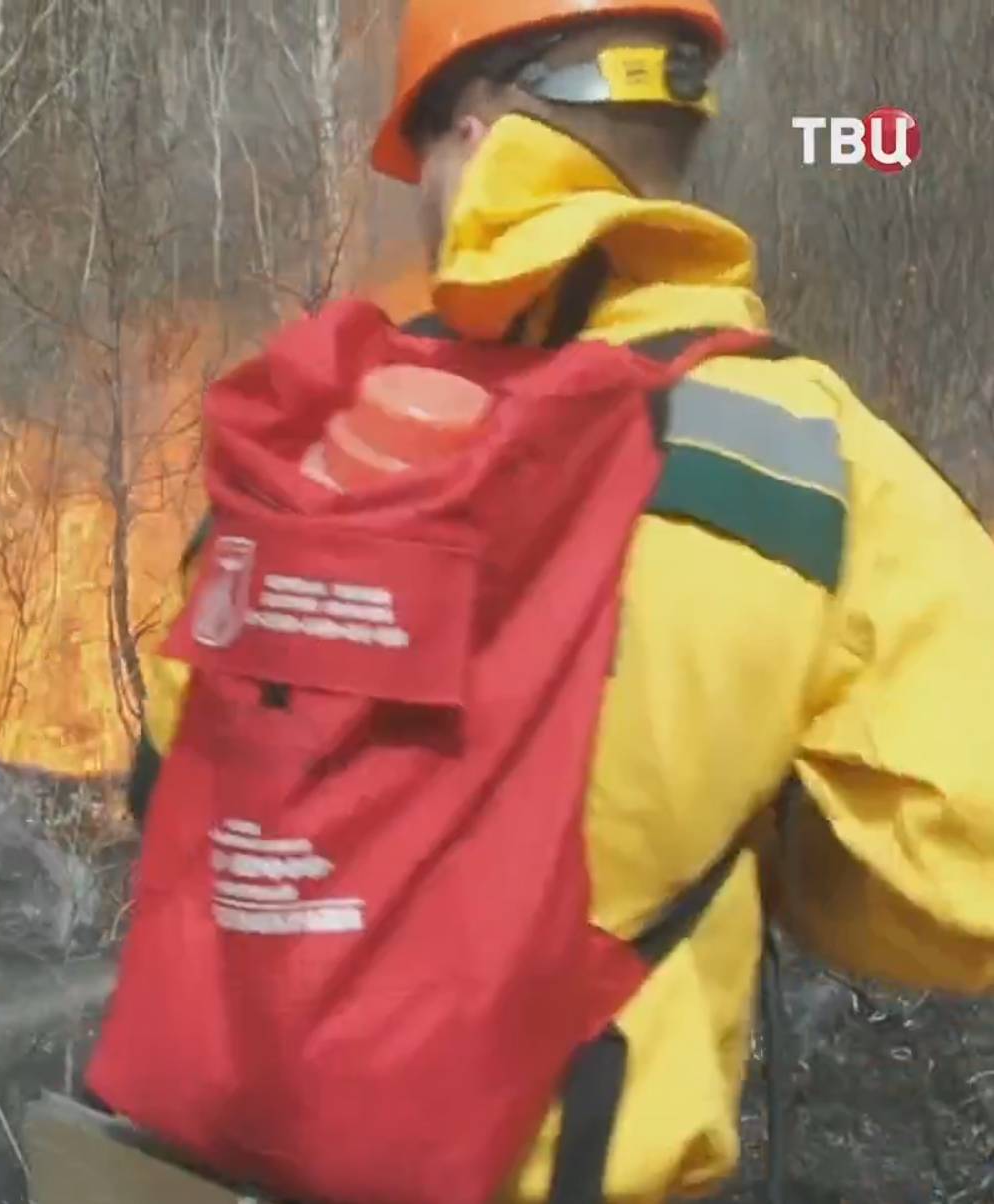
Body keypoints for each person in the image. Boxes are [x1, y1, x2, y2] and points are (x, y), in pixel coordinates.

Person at [120, 0, 994, 1199]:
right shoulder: (809, 456)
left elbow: (165, 775)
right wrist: (756, 819)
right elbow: (968, 875)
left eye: (419, 153)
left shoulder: (324, 427)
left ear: (475, 138)